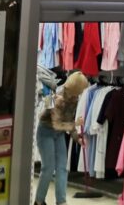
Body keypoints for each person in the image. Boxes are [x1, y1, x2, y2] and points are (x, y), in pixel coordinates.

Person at [35, 71, 89, 205]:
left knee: (62, 168)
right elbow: (57, 124)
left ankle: (61, 201)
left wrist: (77, 138)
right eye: (81, 89)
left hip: (58, 133)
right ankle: (39, 201)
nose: (82, 92)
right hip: (46, 131)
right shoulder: (56, 97)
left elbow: (68, 121)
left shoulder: (74, 99)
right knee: (48, 168)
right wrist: (76, 124)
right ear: (75, 88)